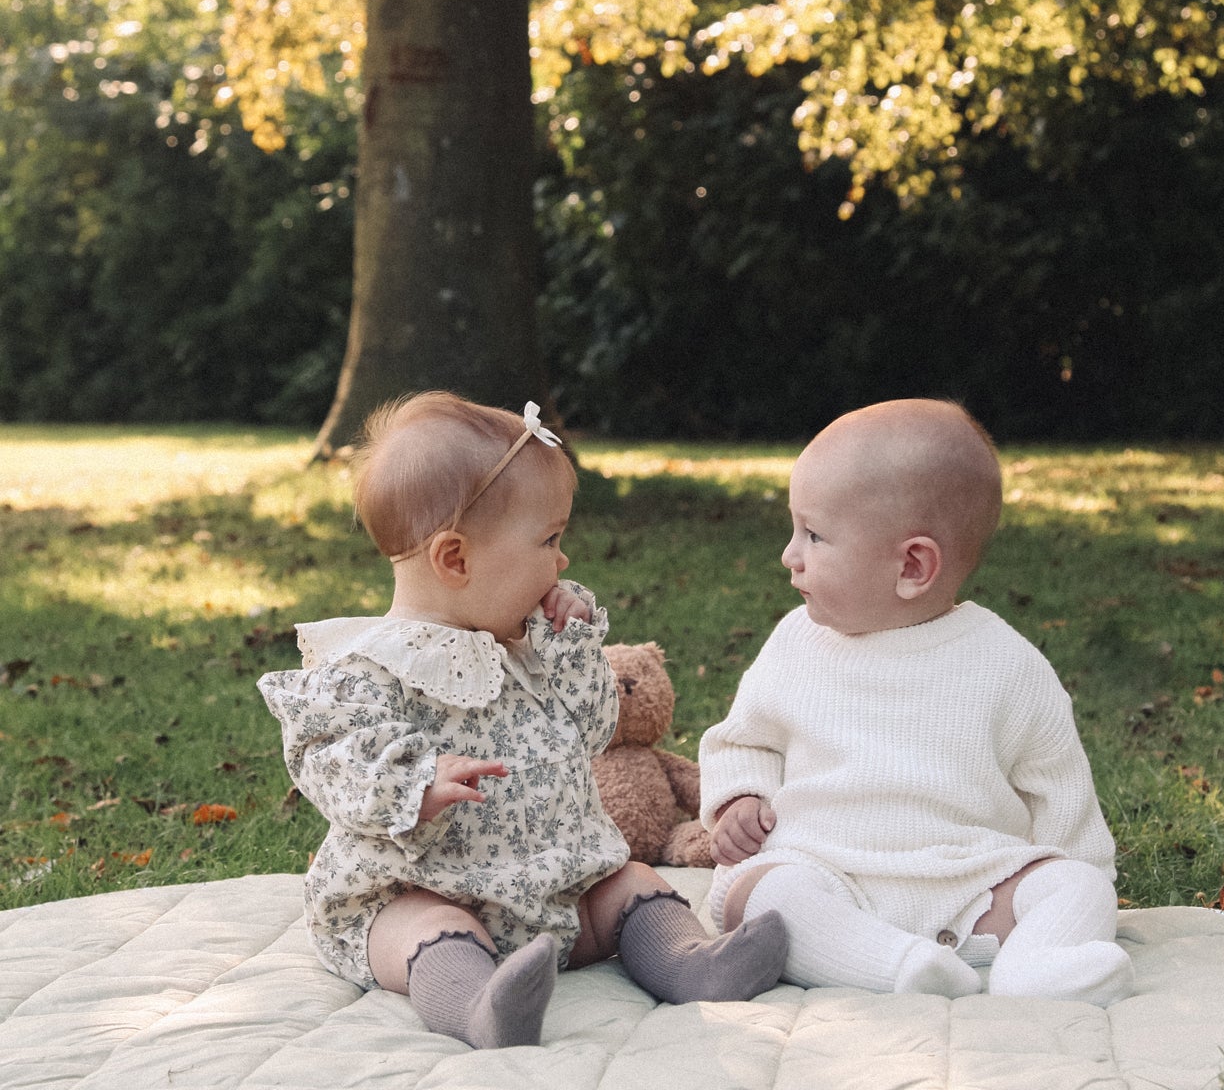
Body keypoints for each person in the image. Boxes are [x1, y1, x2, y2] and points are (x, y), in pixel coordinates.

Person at [260, 392, 786, 1049]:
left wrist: (571, 649)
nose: (561, 562)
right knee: (424, 929)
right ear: (455, 560)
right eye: (548, 540)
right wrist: (409, 784)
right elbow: (328, 755)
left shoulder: (526, 649)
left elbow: (594, 730)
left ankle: (690, 962)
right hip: (422, 888)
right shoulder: (368, 669)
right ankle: (479, 1004)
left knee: (629, 884)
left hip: (557, 889)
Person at [699, 398, 1132, 1006]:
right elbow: (743, 739)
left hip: (972, 884)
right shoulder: (795, 643)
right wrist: (741, 797)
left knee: (1078, 885)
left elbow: (1059, 787)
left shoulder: (1006, 664)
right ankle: (901, 966)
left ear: (913, 565)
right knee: (760, 898)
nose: (789, 555)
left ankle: (1039, 965)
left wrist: (1081, 884)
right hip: (827, 871)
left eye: (814, 535)